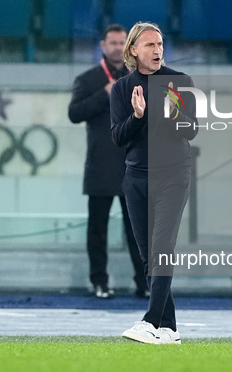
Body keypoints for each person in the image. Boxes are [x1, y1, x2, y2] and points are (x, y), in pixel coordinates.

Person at [110, 22, 198, 344]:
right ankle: (169, 328)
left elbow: (191, 130)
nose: (157, 50)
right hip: (135, 178)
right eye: (150, 45)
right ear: (134, 50)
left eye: (160, 44)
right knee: (149, 256)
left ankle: (149, 321)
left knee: (162, 249)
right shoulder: (122, 89)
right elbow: (118, 138)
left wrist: (174, 113)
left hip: (173, 175)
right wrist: (137, 116)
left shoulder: (180, 82)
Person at [68, 24, 148, 299]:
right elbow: (74, 113)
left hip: (133, 166)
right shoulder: (88, 79)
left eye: (122, 42)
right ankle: (99, 281)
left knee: (138, 231)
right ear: (102, 46)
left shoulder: (141, 78)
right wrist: (105, 93)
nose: (117, 47)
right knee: (97, 231)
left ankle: (144, 282)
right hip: (100, 166)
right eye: (112, 42)